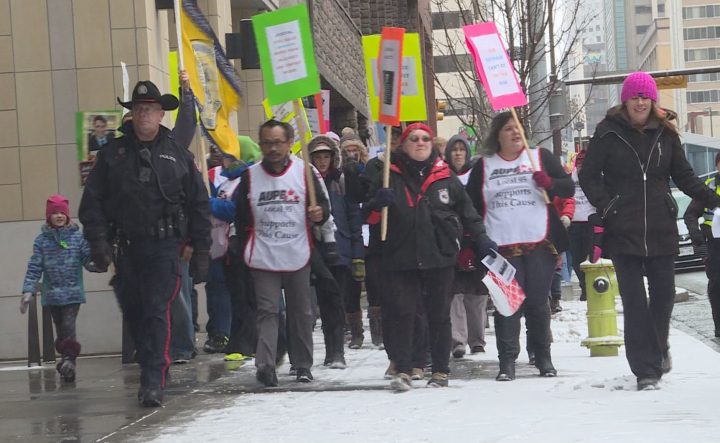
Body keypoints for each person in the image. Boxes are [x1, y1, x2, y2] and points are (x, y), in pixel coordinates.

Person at [579, 71, 720, 391]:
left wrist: (714, 199)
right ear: (625, 100)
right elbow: (589, 176)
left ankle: (658, 349)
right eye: (635, 96)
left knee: (663, 297)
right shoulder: (608, 132)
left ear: (652, 100)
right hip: (623, 229)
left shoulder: (666, 134)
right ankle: (645, 369)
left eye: (646, 96)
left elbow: (685, 177)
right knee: (634, 302)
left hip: (660, 228)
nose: (640, 102)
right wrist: (608, 205)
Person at [79, 79, 211, 407]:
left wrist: (202, 249)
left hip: (165, 247)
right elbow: (92, 202)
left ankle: (154, 379)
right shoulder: (112, 155)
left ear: (161, 114)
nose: (144, 116)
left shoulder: (178, 154)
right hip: (127, 248)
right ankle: (150, 367)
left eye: (150, 109)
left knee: (155, 310)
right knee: (136, 314)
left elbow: (198, 203)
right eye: (138, 110)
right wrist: (98, 242)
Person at [364, 122, 496, 391]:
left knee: (438, 314)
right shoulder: (388, 176)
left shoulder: (445, 176)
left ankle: (439, 369)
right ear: (404, 144)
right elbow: (367, 216)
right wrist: (377, 203)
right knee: (403, 312)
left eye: (425, 138)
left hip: (439, 255)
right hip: (400, 256)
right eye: (414, 138)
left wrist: (481, 238)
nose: (421, 143)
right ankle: (402, 367)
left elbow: (468, 212)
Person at [467, 112, 574, 382]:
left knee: (538, 304)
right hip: (502, 248)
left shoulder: (540, 157)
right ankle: (507, 361)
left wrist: (550, 183)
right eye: (508, 129)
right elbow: (469, 206)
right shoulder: (484, 166)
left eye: (518, 128)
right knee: (507, 305)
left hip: (539, 243)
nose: (515, 133)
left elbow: (568, 187)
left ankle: (542, 356)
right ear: (497, 136)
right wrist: (475, 240)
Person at [234, 119, 329, 387]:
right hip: (263, 254)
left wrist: (319, 213)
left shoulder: (304, 172)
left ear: (289, 143)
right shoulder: (250, 176)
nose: (273, 148)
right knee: (267, 311)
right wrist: (244, 247)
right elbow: (241, 216)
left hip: (297, 251)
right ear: (260, 144)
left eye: (278, 142)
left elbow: (322, 206)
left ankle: (302, 365)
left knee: (301, 311)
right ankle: (265, 364)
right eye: (267, 143)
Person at [20, 195, 98, 383]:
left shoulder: (78, 238)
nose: (59, 216)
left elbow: (88, 259)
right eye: (54, 213)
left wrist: (99, 263)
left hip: (72, 294)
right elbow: (35, 266)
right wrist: (28, 290)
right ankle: (65, 360)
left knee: (69, 327)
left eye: (62, 212)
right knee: (61, 333)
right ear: (48, 217)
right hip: (52, 295)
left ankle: (69, 361)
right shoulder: (41, 241)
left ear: (68, 216)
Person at [309, 134, 361, 367]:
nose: (322, 161)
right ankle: (329, 348)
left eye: (326, 156)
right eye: (317, 157)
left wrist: (357, 253)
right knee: (323, 301)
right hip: (316, 250)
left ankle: (337, 349)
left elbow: (353, 217)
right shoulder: (306, 183)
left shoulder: (342, 182)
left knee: (337, 301)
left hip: (341, 249)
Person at [445, 135, 490, 358]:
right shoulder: (443, 177)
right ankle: (458, 340)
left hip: (476, 239)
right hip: (452, 242)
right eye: (454, 150)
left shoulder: (477, 176)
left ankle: (477, 340)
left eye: (462, 149)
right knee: (455, 293)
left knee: (477, 293)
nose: (458, 153)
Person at [203, 151, 245, 354]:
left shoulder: (245, 180)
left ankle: (229, 332)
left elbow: (236, 209)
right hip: (218, 245)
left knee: (233, 291)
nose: (222, 160)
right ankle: (219, 331)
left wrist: (211, 204)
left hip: (235, 245)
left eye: (226, 156)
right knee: (215, 288)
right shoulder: (224, 184)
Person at [684, 152, 720, 338]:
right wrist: (698, 239)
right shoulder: (708, 188)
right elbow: (690, 215)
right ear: (717, 165)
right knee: (716, 285)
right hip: (714, 244)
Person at [567, 148, 596, 301]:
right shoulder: (569, 179)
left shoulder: (595, 177)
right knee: (576, 258)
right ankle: (584, 285)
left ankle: (592, 286)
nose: (581, 168)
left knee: (592, 256)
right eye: (579, 164)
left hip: (592, 220)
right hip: (574, 222)